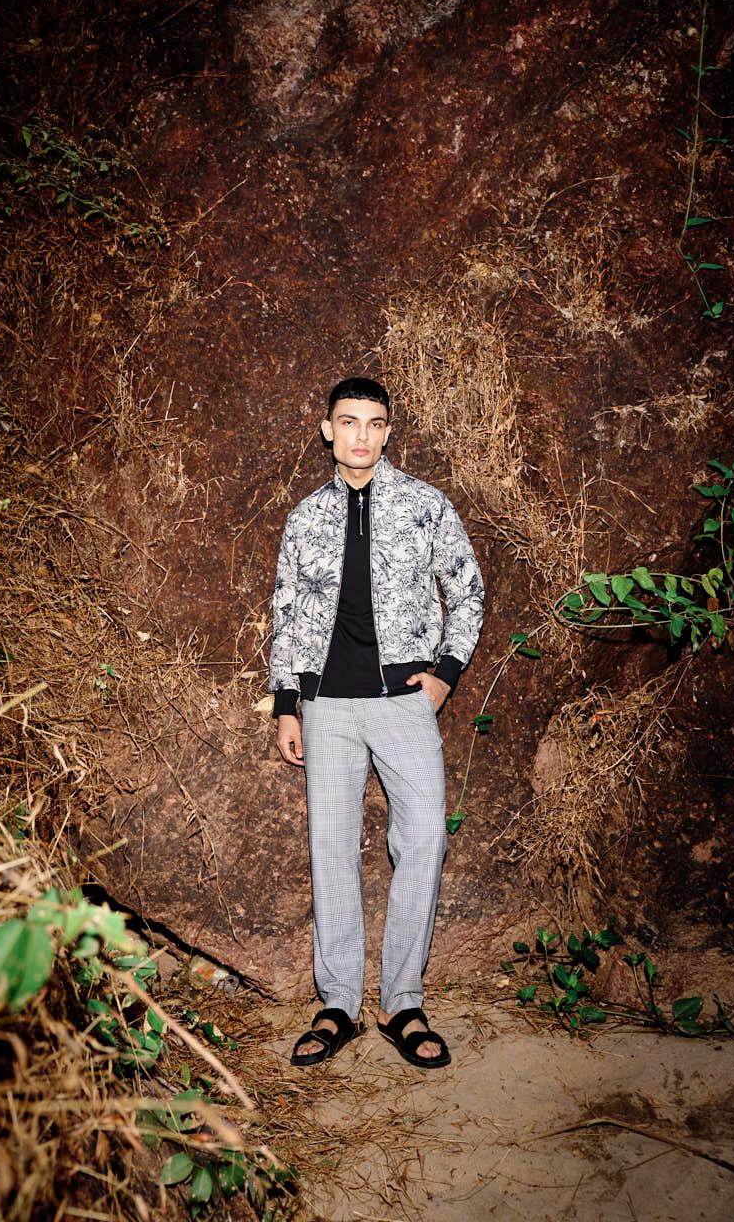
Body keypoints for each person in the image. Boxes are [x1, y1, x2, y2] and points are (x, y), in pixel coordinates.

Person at [268, 376, 484, 1069]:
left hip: (403, 703)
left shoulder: (425, 505)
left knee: (423, 838)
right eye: (348, 421)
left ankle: (402, 1003)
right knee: (331, 848)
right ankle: (338, 1005)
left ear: (387, 432)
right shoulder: (305, 518)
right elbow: (286, 614)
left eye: (374, 423)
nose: (361, 434)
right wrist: (287, 702)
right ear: (328, 429)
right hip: (327, 706)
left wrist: (445, 673)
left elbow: (469, 590)